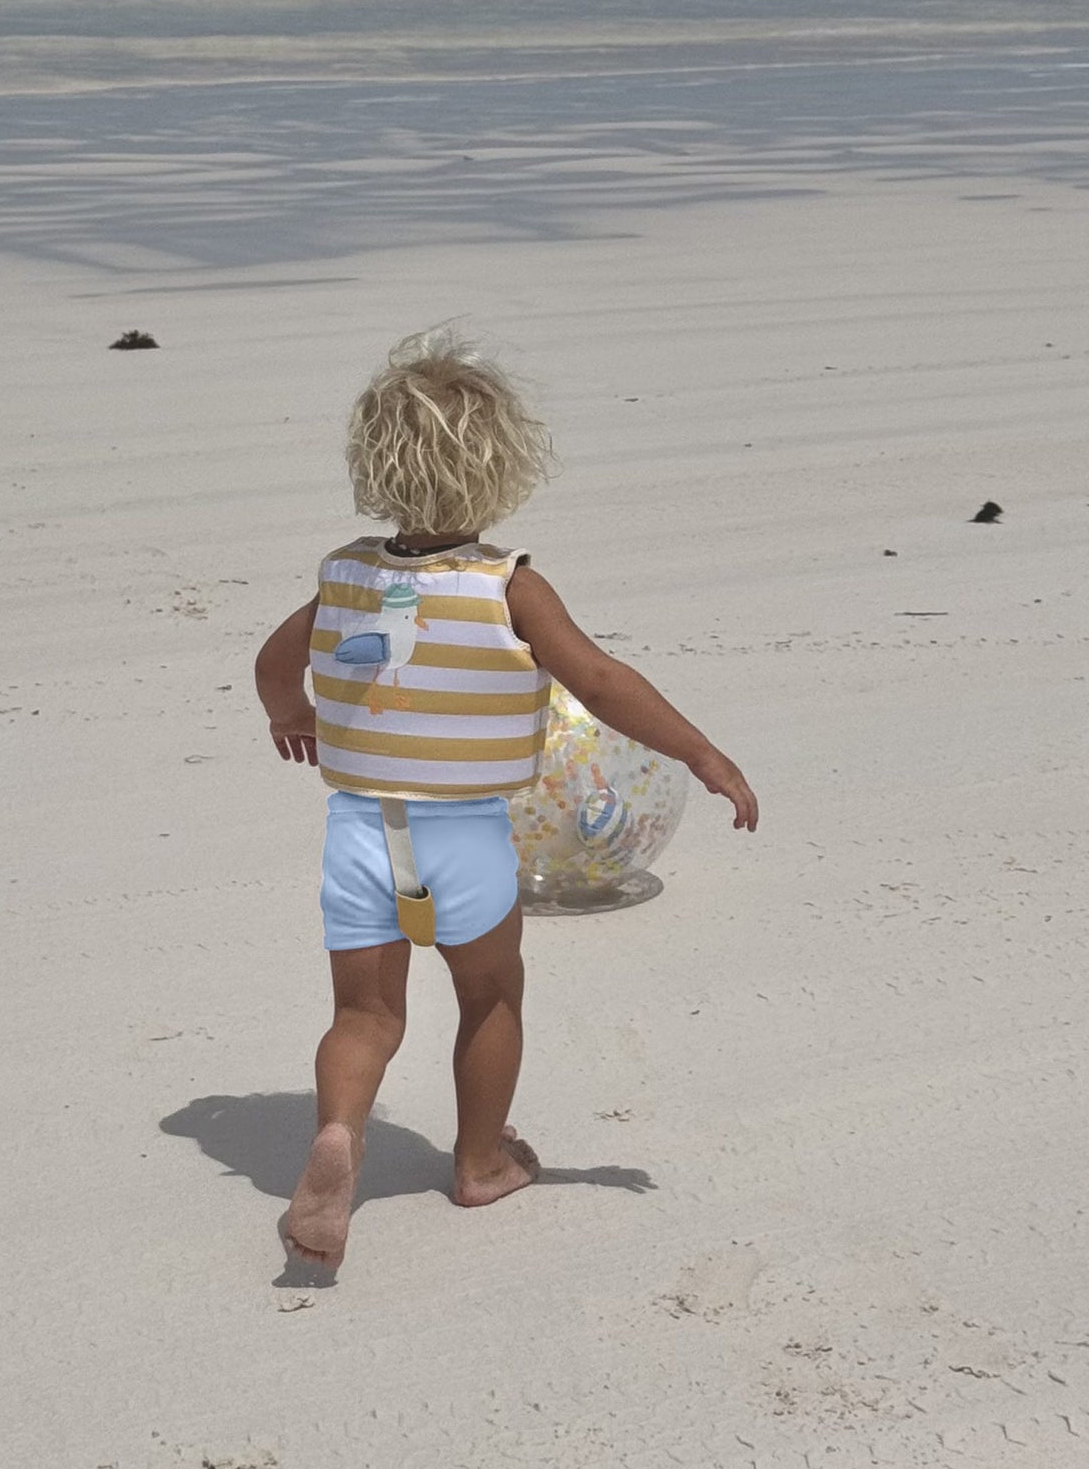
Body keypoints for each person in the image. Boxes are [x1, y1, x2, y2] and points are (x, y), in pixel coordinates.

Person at [252, 326, 758, 1268]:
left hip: (363, 827)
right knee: (488, 993)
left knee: (364, 1017)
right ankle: (481, 1163)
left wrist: (293, 712)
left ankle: (337, 1137)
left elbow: (274, 663)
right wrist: (702, 754)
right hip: (465, 834)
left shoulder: (345, 574)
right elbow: (601, 683)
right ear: (502, 470)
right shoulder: (507, 587)